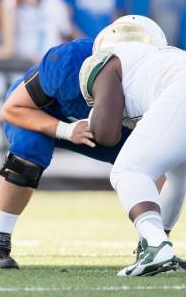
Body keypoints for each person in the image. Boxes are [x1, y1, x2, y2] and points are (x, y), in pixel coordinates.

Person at [0, 15, 167, 270]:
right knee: (29, 151)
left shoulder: (157, 82)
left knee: (155, 161)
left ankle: (153, 245)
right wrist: (66, 130)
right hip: (43, 114)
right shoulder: (69, 61)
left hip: (104, 124)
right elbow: (13, 109)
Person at [79, 19, 186, 275]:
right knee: (178, 175)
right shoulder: (158, 60)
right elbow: (176, 182)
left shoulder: (106, 60)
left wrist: (92, 119)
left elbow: (106, 134)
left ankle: (157, 246)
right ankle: (156, 243)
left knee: (128, 171)